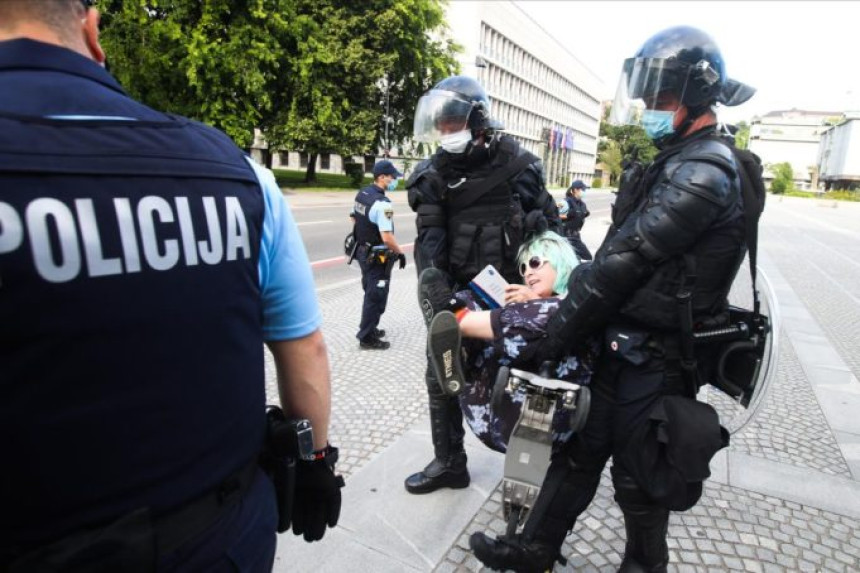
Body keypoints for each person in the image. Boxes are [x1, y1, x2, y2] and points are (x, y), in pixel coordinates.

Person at [0, 2, 342, 570]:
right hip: (223, 542)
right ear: (92, 29)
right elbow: (304, 347)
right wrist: (314, 461)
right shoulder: (238, 174)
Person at [470, 26, 755, 572]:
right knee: (578, 453)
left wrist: (552, 336)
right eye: (647, 98)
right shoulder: (675, 160)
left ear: (698, 98)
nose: (649, 109)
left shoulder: (705, 170)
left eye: (662, 99)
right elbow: (608, 262)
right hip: (620, 346)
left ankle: (643, 567)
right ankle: (535, 549)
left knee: (640, 477)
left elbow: (622, 266)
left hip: (660, 358)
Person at [404, 75, 561, 495]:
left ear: (478, 120)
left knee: (536, 383)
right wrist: (439, 305)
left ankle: (533, 480)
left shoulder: (521, 165)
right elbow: (430, 247)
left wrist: (550, 284)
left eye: (454, 124)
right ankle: (450, 463)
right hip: (459, 297)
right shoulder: (431, 176)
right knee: (440, 375)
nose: (447, 134)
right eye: (442, 126)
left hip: (515, 296)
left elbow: (554, 236)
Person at [424, 231, 596, 453]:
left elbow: (461, 322)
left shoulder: (562, 308)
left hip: (513, 421)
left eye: (535, 263)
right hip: (517, 413)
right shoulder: (568, 305)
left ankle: (455, 341)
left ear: (560, 262)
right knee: (471, 300)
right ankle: (459, 352)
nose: (528, 273)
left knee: (461, 318)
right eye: (524, 268)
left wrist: (524, 307)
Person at [353, 159, 406, 350]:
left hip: (362, 251)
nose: (395, 181)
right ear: (382, 177)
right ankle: (366, 337)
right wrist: (400, 253)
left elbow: (354, 218)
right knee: (376, 295)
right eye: (393, 178)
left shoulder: (362, 194)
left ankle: (370, 327)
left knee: (370, 291)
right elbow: (387, 237)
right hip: (376, 256)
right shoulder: (384, 205)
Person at [561, 179, 592, 261]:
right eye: (583, 190)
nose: (584, 192)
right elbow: (556, 217)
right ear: (575, 190)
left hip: (576, 236)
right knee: (587, 258)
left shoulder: (581, 204)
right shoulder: (566, 202)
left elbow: (583, 213)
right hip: (566, 236)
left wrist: (585, 214)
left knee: (578, 260)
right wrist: (569, 215)